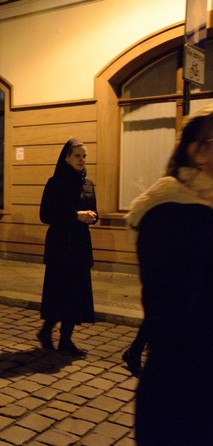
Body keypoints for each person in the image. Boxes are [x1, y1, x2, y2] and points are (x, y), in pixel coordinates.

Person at [125, 105, 213, 445]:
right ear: (198, 151)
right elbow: (176, 320)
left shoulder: (201, 207)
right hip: (185, 399)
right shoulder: (173, 214)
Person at [37, 138, 97, 357]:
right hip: (61, 246)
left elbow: (92, 211)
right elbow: (46, 215)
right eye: (77, 155)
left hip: (80, 244)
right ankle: (49, 332)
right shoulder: (55, 183)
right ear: (66, 158)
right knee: (60, 292)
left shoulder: (88, 184)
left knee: (75, 293)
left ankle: (64, 338)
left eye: (84, 156)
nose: (82, 159)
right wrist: (75, 216)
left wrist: (91, 217)